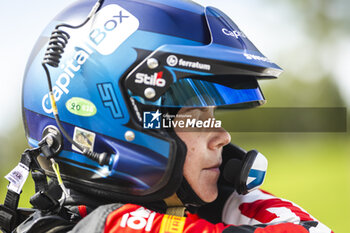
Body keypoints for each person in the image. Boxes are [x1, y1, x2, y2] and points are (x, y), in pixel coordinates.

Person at [0, 0, 333, 232]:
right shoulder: (108, 227)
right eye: (194, 115)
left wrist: (234, 198)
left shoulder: (197, 208)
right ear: (111, 120)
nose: (223, 137)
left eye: (213, 114)